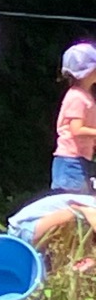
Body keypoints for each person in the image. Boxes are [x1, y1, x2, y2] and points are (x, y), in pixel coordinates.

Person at [52, 43, 96, 193]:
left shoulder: (85, 96)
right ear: (87, 71)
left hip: (78, 160)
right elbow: (76, 130)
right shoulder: (77, 97)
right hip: (71, 161)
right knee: (73, 204)